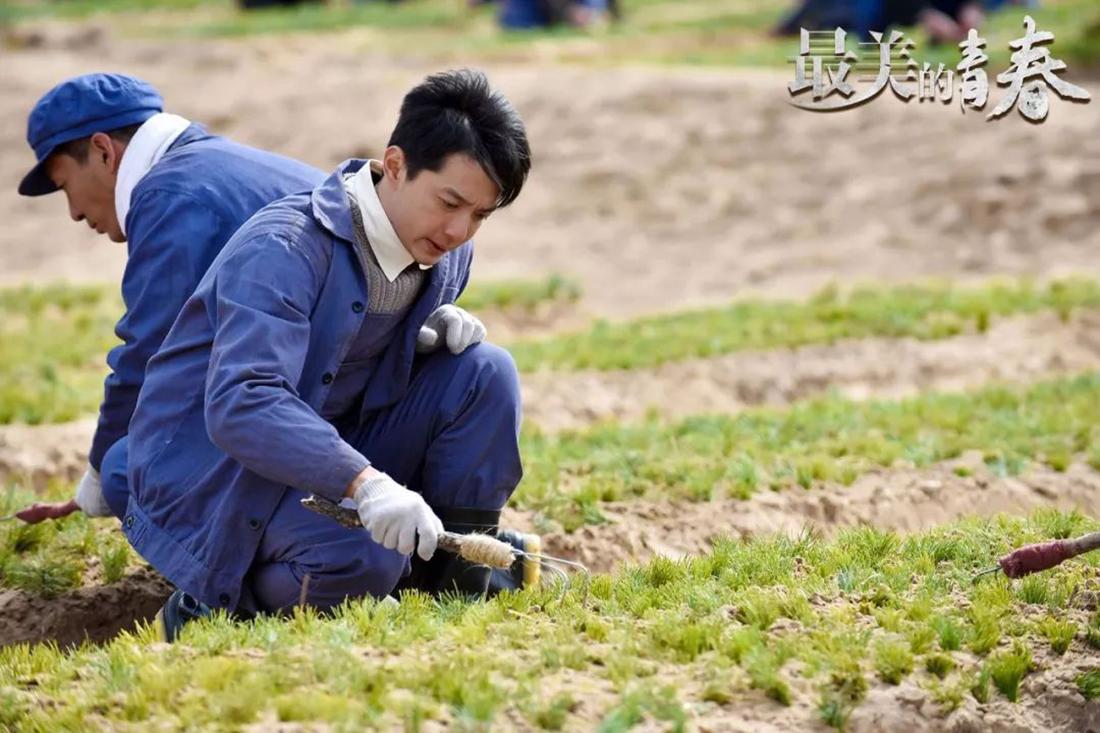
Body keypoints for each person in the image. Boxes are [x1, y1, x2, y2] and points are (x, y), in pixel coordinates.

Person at [121, 69, 536, 641]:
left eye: (481, 215)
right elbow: (244, 404)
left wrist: (414, 336)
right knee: (364, 557)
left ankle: (450, 575)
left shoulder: (445, 252)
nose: (461, 230)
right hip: (218, 475)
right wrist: (366, 485)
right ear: (394, 164)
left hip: (325, 448)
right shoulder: (284, 248)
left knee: (485, 373)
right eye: (451, 202)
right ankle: (211, 607)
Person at [16, 73, 324, 523]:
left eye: (66, 187)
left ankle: (241, 578)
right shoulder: (224, 165)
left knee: (132, 467)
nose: (75, 212)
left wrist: (100, 477)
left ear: (104, 151)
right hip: (362, 390)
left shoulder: (169, 195)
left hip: (325, 413)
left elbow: (148, 355)